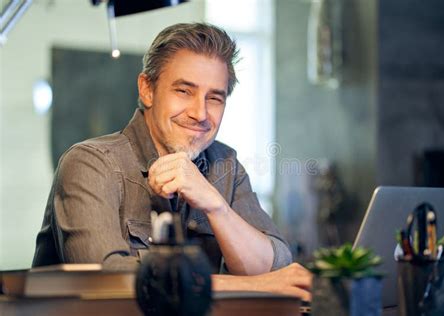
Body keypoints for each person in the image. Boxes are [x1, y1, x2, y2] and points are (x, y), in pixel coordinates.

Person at [32, 23, 312, 300]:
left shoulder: (225, 164)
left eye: (215, 97)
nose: (200, 113)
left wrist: (216, 206)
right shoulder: (90, 164)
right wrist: (254, 287)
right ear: (147, 89)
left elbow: (275, 263)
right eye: (184, 91)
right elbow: (107, 279)